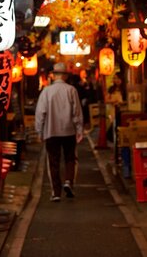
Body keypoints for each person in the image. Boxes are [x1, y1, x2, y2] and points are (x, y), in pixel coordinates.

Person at [35, 62, 84, 202]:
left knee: (53, 161)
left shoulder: (46, 91)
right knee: (70, 158)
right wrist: (79, 130)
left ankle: (56, 192)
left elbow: (40, 113)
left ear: (54, 75)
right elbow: (77, 113)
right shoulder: (71, 90)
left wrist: (39, 131)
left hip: (51, 131)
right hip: (68, 130)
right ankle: (68, 181)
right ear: (65, 76)